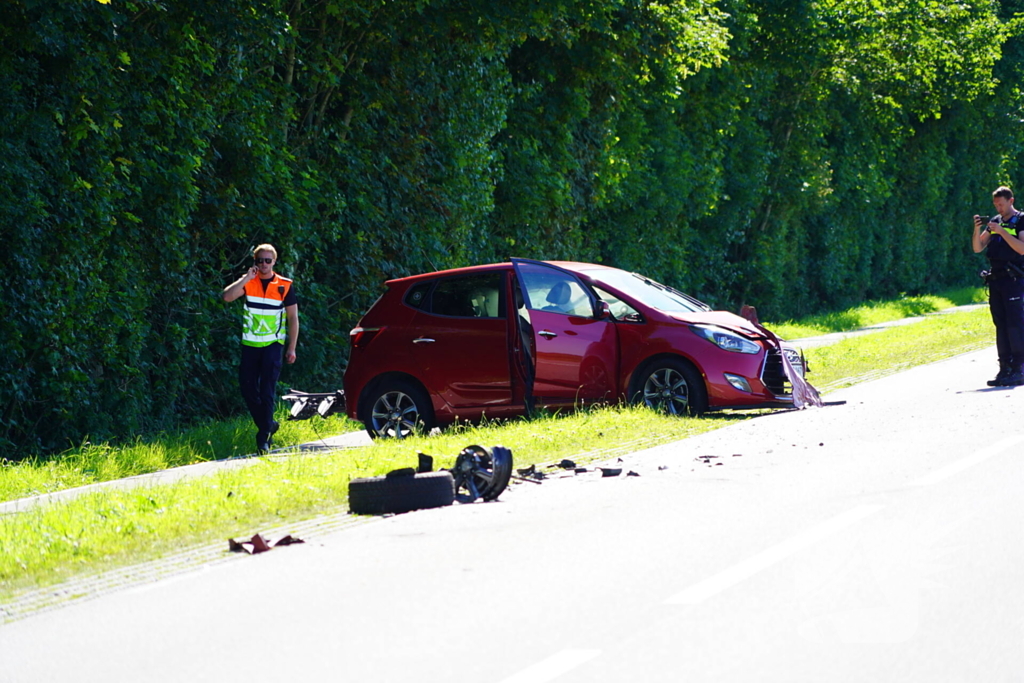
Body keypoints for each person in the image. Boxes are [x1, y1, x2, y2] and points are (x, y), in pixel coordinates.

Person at [222, 244, 299, 452]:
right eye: (260, 260)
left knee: (267, 391)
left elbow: (293, 318)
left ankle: (263, 438)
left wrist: (291, 347)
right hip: (250, 345)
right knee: (247, 389)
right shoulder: (249, 282)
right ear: (255, 262)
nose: (264, 264)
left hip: (273, 345)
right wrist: (246, 278)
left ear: (274, 262)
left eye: (268, 260)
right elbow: (227, 297)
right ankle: (268, 425)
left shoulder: (284, 285)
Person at [973, 186, 1024, 387]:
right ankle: (1004, 368)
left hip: (1015, 280)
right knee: (1001, 325)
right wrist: (978, 229)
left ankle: (1020, 367)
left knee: (1015, 325)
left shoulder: (1020, 220)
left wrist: (1002, 232)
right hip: (997, 280)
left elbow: (1022, 249)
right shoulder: (994, 222)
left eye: (1001, 204)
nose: (998, 208)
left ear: (1011, 201)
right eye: (996, 205)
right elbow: (978, 248)